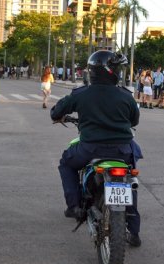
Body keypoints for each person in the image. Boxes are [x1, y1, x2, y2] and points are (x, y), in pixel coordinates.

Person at [50, 50, 142, 246]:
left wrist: (59, 115)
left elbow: (56, 112)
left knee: (66, 164)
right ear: (110, 71)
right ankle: (133, 231)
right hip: (122, 150)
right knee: (129, 178)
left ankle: (74, 206)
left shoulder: (81, 94)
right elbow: (135, 119)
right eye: (117, 68)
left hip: (90, 149)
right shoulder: (126, 96)